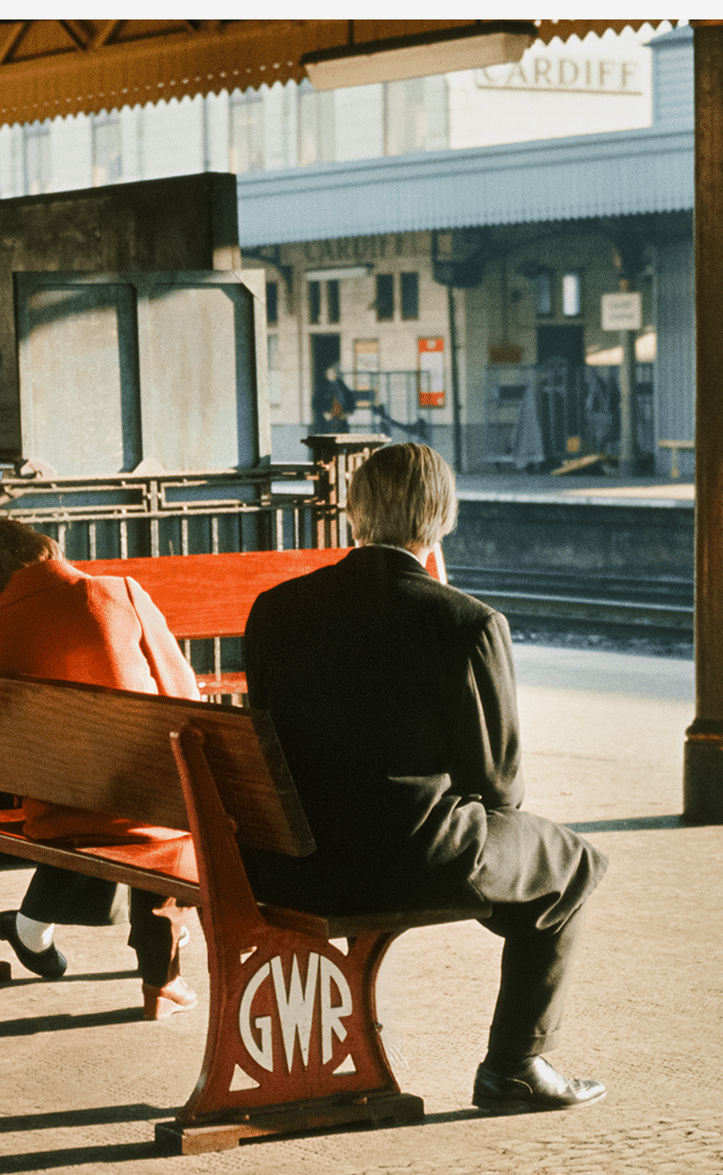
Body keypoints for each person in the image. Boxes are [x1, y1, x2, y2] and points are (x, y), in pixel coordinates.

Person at [242, 442, 608, 1110]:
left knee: (521, 863)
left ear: (355, 512)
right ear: (441, 515)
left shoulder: (275, 609)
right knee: (571, 863)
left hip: (289, 861)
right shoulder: (466, 622)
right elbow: (500, 789)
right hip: (408, 862)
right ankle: (514, 1065)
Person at [0, 518, 199, 1021]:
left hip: (61, 812)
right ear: (37, 548)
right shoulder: (119, 592)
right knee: (164, 813)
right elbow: (184, 694)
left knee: (111, 805)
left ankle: (34, 929)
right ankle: (162, 979)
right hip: (153, 804)